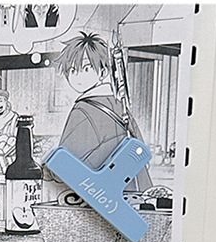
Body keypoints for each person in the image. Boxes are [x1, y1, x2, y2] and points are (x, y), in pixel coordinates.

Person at [54, 31, 152, 193]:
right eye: (72, 70)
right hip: (133, 187)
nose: (78, 76)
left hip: (101, 192)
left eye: (86, 68)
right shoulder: (119, 104)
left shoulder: (82, 110)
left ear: (103, 72)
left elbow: (66, 162)